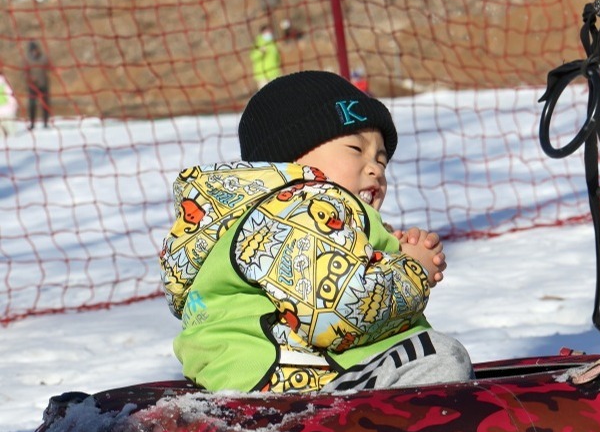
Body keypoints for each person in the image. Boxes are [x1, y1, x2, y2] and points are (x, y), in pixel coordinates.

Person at [160, 70, 474, 394]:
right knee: (438, 356)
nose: (375, 168)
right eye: (356, 149)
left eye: (381, 159)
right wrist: (412, 269)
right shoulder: (296, 210)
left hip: (283, 384)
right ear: (293, 160)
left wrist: (388, 254)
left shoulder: (283, 217)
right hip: (285, 395)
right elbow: (337, 313)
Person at [24, 40, 50, 129]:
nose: (35, 51)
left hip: (43, 84)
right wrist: (30, 79)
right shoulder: (28, 60)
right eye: (33, 50)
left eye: (36, 49)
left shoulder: (43, 58)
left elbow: (50, 66)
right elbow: (25, 72)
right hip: (32, 86)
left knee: (45, 105)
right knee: (32, 105)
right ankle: (32, 123)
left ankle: (45, 123)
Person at [249, 24, 282, 89]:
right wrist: (260, 52)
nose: (269, 34)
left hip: (274, 73)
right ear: (262, 33)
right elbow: (252, 57)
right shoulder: (258, 43)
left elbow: (277, 57)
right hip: (262, 75)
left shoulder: (273, 43)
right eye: (267, 32)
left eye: (270, 32)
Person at [0, 68, 18, 137]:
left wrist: (13, 105)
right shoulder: (5, 83)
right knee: (11, 134)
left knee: (3, 136)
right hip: (8, 112)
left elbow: (10, 96)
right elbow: (11, 95)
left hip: (7, 111)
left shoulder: (4, 83)